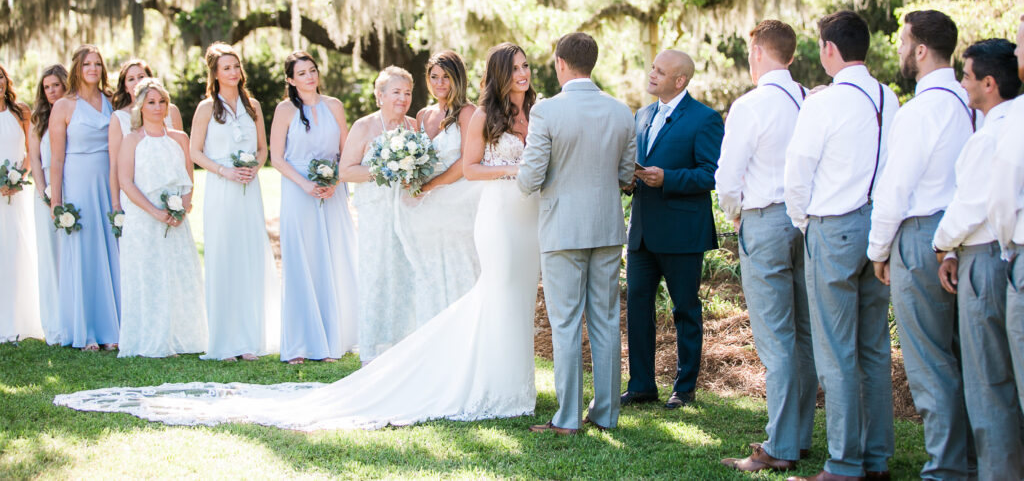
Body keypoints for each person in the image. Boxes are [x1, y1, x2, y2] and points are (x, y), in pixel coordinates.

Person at [54, 42, 542, 431]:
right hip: (344, 200)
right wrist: (379, 176)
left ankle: (434, 355)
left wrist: (412, 177)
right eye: (417, 82)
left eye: (432, 81)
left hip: (442, 212)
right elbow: (287, 155)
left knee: (439, 280)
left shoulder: (426, 119)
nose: (417, 92)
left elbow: (449, 162)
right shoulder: (372, 120)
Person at [783, 10, 899, 481]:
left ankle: (843, 464)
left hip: (833, 227)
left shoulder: (824, 103)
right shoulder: (889, 97)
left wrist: (804, 222)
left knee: (835, 352)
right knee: (873, 347)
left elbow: (797, 172)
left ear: (829, 49)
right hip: (879, 230)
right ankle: (876, 459)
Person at [865, 10, 973, 480]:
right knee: (963, 357)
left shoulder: (921, 110)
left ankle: (946, 469)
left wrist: (878, 249)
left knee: (929, 362)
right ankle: (970, 460)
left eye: (903, 42)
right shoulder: (972, 102)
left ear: (921, 49)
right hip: (965, 239)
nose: (900, 50)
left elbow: (894, 190)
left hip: (921, 234)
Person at [517, 32, 636, 434]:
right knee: (605, 320)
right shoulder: (622, 111)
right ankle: (605, 414)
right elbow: (625, 176)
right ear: (592, 63)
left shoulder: (547, 111)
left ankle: (567, 418)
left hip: (562, 229)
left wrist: (521, 181)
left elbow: (530, 177)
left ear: (559, 63)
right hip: (606, 227)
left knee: (565, 323)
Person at [716, 21, 816, 473]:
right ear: (791, 56)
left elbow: (727, 176)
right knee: (805, 335)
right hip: (808, 223)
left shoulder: (750, 104)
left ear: (757, 53)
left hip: (764, 220)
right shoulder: (810, 99)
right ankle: (800, 436)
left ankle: (778, 446)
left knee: (775, 340)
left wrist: (734, 213)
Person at [933, 38, 1022, 481]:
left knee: (988, 381)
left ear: (989, 83)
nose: (962, 83)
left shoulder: (994, 134)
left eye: (966, 75)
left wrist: (941, 245)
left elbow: (978, 206)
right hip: (996, 253)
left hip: (987, 256)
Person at [621, 49, 724, 410]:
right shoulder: (642, 114)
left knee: (685, 310)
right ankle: (641, 385)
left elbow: (711, 173)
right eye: (652, 67)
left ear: (680, 81)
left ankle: (684, 387)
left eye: (660, 71)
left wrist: (668, 179)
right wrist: (628, 181)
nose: (652, 75)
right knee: (637, 307)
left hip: (682, 232)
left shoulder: (705, 119)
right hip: (643, 232)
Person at [190, 43, 280, 361]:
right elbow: (195, 151)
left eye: (236, 66)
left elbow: (263, 148)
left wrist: (255, 167)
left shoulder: (251, 104)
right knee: (224, 256)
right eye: (226, 67)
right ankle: (225, 342)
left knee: (249, 256)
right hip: (221, 188)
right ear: (215, 73)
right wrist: (224, 171)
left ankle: (249, 339)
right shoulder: (206, 108)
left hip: (249, 190)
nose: (233, 72)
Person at [270, 51, 357, 364]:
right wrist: (305, 184)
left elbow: (345, 151)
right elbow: (276, 157)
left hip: (331, 190)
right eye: (302, 73)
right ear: (291, 80)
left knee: (332, 257)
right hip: (298, 190)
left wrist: (336, 179)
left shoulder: (334, 105)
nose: (309, 77)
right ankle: (300, 343)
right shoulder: (284, 110)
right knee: (302, 259)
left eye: (312, 70)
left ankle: (336, 336)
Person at [116, 78, 207, 357]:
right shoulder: (132, 140)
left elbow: (189, 180)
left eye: (162, 102)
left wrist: (184, 208)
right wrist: (154, 211)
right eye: (151, 102)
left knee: (177, 276)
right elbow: (126, 182)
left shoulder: (180, 138)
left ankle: (183, 338)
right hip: (144, 220)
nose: (157, 107)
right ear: (141, 106)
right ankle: (150, 338)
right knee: (149, 276)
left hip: (175, 221)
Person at [393, 51, 481, 326]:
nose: (440, 83)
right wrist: (411, 177)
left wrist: (430, 185)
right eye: (434, 77)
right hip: (427, 207)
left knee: (459, 267)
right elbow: (417, 158)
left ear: (458, 79)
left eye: (446, 77)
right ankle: (432, 327)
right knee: (429, 268)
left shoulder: (468, 112)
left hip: (458, 201)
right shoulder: (422, 115)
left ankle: (463, 327)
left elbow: (466, 161)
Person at [339, 66, 418, 362]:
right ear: (380, 95)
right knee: (376, 275)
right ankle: (374, 350)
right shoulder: (364, 127)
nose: (403, 98)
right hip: (375, 213)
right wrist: (383, 169)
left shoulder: (413, 126)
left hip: (408, 211)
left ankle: (405, 346)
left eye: (407, 93)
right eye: (396, 92)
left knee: (407, 275)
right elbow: (345, 171)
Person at [48, 45, 121, 351]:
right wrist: (57, 203)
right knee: (85, 250)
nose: (93, 68)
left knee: (111, 248)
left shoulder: (110, 101)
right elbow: (56, 160)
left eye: (98, 64)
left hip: (108, 179)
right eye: (87, 64)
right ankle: (86, 330)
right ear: (77, 69)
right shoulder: (64, 106)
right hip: (77, 183)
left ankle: (113, 328)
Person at [988, 14, 1024, 416]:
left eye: (1020, 44)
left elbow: (1002, 193)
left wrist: (1008, 245)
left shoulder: (1017, 117)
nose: (1016, 52)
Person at [0, 63, 44, 343]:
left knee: (17, 252)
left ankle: (19, 320)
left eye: (0, 76)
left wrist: (18, 178)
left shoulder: (21, 112)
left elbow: (31, 151)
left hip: (16, 194)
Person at [108, 59, 183, 214]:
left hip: (170, 190)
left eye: (141, 76)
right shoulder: (118, 118)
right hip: (136, 193)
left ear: (151, 79)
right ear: (125, 86)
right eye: (131, 79)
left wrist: (183, 198)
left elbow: (181, 158)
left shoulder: (171, 112)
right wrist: (116, 205)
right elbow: (115, 164)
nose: (137, 82)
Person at [27, 64, 69, 345]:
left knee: (71, 254)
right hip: (45, 196)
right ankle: (55, 322)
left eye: (56, 85)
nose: (52, 91)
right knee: (51, 256)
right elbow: (35, 160)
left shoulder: (72, 112)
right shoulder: (37, 119)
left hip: (73, 190)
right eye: (47, 87)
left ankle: (74, 315)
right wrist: (45, 194)